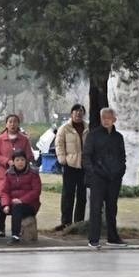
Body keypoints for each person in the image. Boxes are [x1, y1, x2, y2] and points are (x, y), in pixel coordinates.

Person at [83, 107, 127, 248]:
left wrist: (120, 171)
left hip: (114, 178)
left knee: (112, 208)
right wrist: (93, 172)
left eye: (109, 118)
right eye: (104, 118)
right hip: (98, 178)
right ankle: (93, 239)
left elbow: (122, 157)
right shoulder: (93, 135)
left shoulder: (118, 137)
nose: (106, 120)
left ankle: (113, 237)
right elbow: (87, 156)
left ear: (114, 119)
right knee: (96, 208)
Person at [54, 103, 88, 230]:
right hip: (70, 164)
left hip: (84, 166)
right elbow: (59, 145)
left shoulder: (87, 128)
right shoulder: (64, 128)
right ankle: (66, 222)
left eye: (80, 113)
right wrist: (63, 159)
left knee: (82, 195)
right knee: (68, 194)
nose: (78, 115)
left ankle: (78, 222)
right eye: (76, 113)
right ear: (71, 114)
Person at [0, 152, 42, 242]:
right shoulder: (9, 173)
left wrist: (21, 200)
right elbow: (4, 191)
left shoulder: (33, 173)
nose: (20, 162)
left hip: (29, 205)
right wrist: (6, 204)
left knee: (17, 208)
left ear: (26, 161)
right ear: (13, 162)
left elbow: (36, 191)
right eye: (17, 160)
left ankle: (15, 236)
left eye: (22, 160)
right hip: (13, 203)